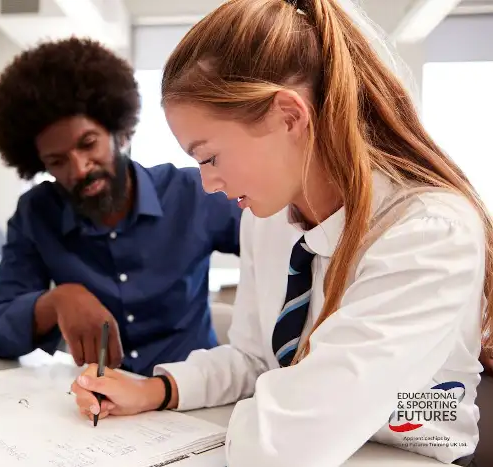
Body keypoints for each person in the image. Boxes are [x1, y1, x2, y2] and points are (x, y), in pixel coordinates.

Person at [70, 0, 493, 465]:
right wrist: (158, 389)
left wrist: (261, 420)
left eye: (209, 157)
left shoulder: (429, 232)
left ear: (289, 116)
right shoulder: (266, 218)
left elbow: (285, 445)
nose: (208, 184)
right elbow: (257, 361)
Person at [0, 37, 242, 377]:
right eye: (57, 161)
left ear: (120, 132)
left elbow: (283, 241)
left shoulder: (192, 193)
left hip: (194, 398)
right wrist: (59, 300)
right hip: (98, 409)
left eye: (88, 144)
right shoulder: (36, 214)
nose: (79, 168)